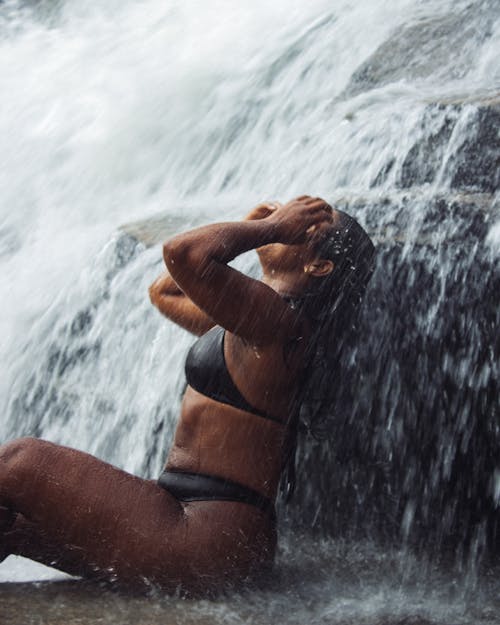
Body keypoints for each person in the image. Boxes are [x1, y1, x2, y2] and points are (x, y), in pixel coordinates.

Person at [0, 196, 375, 594]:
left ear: (318, 266)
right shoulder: (262, 318)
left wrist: (267, 230)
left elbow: (182, 253)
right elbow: (167, 291)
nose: (287, 215)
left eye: (306, 223)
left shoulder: (282, 324)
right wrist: (250, 231)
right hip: (197, 527)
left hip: (203, 535)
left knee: (18, 462)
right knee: (11, 528)